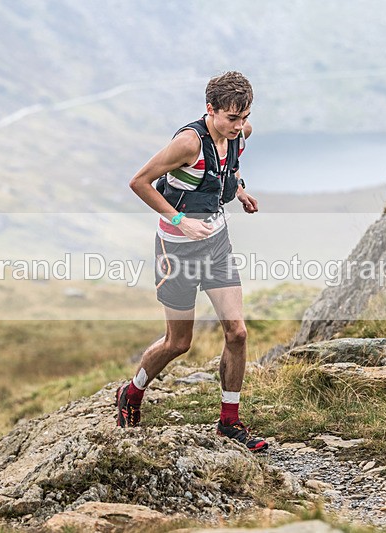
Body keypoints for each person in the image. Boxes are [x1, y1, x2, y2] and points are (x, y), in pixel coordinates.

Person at [117, 71, 268, 452]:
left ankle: (229, 423)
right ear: (210, 109)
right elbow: (139, 182)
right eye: (231, 118)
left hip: (216, 244)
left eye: (244, 116)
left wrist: (241, 192)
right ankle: (131, 393)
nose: (239, 125)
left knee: (237, 333)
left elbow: (227, 170)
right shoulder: (187, 144)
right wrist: (181, 222)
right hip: (177, 250)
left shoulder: (239, 134)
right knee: (178, 342)